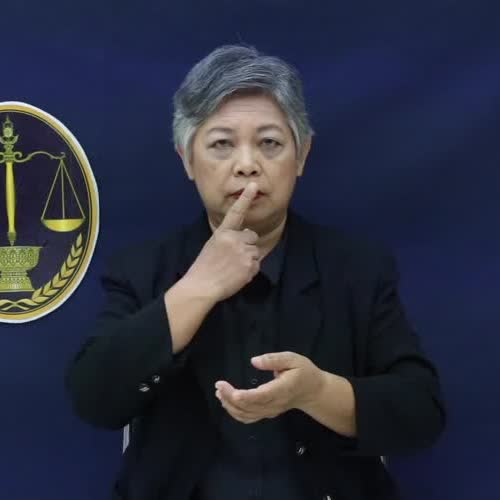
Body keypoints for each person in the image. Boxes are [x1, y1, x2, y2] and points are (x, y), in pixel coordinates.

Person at [66, 45, 446, 500]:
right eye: (221, 144)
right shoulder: (142, 269)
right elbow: (95, 400)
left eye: (269, 143)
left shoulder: (357, 269)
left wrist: (317, 392)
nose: (247, 165)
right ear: (187, 159)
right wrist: (197, 288)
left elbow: (421, 413)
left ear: (301, 156)